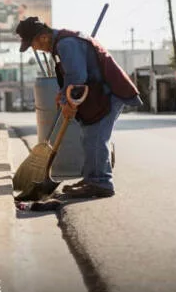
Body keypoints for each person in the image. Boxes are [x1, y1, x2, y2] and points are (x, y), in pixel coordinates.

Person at [15, 17, 142, 198]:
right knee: (88, 137)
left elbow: (77, 76)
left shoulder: (66, 44)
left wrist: (68, 103)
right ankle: (92, 178)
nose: (34, 48)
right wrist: (63, 93)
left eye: (32, 44)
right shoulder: (64, 42)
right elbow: (73, 76)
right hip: (98, 94)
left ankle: (101, 183)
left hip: (107, 94)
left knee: (95, 139)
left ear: (43, 37)